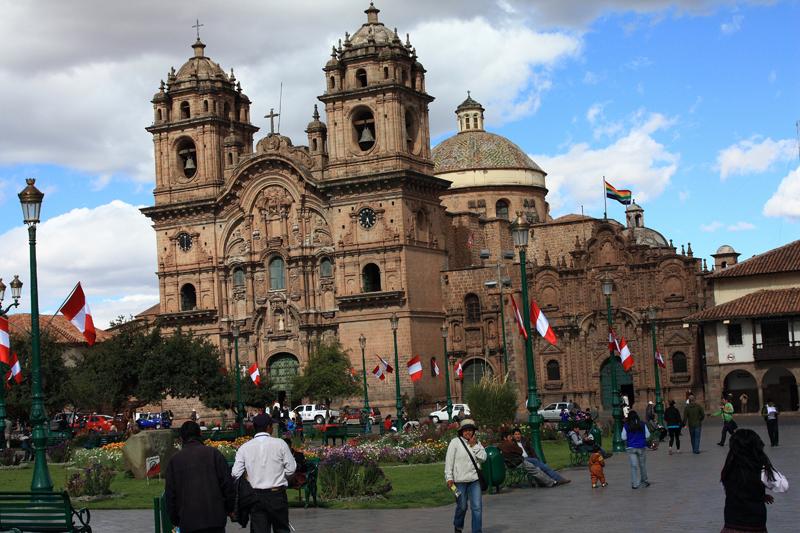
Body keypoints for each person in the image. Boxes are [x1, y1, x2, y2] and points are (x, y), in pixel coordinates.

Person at [165, 421, 234, 533]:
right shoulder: (214, 454)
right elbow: (227, 485)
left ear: (182, 438)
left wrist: (176, 519)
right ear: (200, 434)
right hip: (214, 519)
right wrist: (229, 509)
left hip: (189, 520)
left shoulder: (175, 461)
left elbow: (170, 495)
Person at [232, 414, 296, 533]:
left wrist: (249, 476)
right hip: (276, 493)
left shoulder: (244, 448)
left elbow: (235, 473)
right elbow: (291, 469)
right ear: (268, 427)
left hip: (256, 496)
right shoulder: (280, 444)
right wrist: (280, 475)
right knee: (281, 529)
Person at [720, 429, 788, 533]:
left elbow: (739, 491)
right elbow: (783, 486)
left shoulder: (728, 469)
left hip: (731, 525)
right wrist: (766, 465)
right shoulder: (760, 470)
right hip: (754, 526)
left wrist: (759, 495)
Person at [445, 419, 486, 533]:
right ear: (461, 431)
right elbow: (449, 462)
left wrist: (474, 446)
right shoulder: (455, 442)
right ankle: (458, 526)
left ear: (474, 431)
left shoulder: (477, 443)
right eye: (466, 430)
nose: (468, 432)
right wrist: (449, 478)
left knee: (477, 508)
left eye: (470, 430)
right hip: (459, 481)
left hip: (474, 481)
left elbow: (483, 458)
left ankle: (477, 531)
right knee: (462, 506)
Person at [621, 410, 650, 489]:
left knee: (634, 466)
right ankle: (644, 481)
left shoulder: (626, 425)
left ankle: (634, 484)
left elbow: (623, 437)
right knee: (642, 465)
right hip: (641, 447)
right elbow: (647, 435)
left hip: (631, 447)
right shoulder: (642, 424)